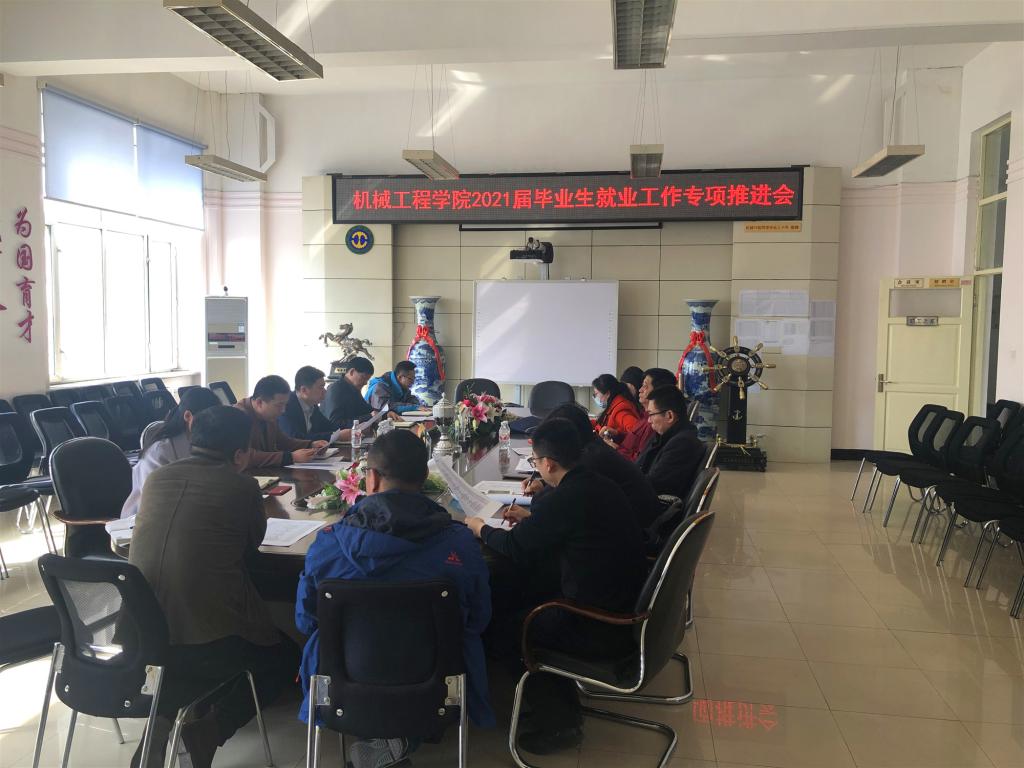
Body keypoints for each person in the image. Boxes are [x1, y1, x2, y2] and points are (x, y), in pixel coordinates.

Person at [296, 430, 494, 767]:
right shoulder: (459, 545)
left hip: (343, 682)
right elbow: (478, 619)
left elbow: (306, 621)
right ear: (424, 478)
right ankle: (397, 739)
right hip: (437, 684)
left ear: (371, 479)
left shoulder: (328, 545)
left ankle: (386, 741)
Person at [128, 406, 299, 768]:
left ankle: (161, 723)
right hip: (204, 641)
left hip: (139, 634)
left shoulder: (157, 479)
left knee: (180, 651)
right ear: (239, 455)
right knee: (283, 658)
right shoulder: (242, 487)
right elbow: (250, 546)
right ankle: (207, 732)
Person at [466, 419, 647, 755]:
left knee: (506, 630)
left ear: (549, 463)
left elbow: (515, 547)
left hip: (596, 622)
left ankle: (560, 723)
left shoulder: (567, 497)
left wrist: (480, 528)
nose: (536, 467)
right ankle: (548, 698)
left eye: (535, 461)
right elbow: (570, 526)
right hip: (618, 598)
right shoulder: (594, 484)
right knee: (516, 593)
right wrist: (534, 521)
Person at [523, 402, 662, 528]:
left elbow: (551, 501)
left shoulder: (591, 460)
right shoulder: (592, 446)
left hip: (637, 531)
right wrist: (543, 483)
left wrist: (531, 514)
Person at [120, 387, 221, 519]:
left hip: (190, 514)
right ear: (188, 416)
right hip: (148, 518)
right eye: (206, 420)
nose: (211, 426)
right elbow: (157, 499)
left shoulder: (206, 442)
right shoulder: (160, 451)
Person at [235, 375, 327, 468]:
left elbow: (282, 441)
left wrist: (310, 445)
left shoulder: (269, 416)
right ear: (259, 402)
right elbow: (245, 456)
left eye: (285, 405)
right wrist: (291, 457)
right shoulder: (238, 416)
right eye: (279, 405)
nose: (283, 410)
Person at [637, 385, 706, 501]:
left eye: (651, 414)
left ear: (669, 416)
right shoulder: (666, 436)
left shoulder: (682, 443)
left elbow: (655, 485)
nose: (649, 420)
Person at [611, 367, 678, 461]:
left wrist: (615, 450)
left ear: (658, 391)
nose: (640, 390)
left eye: (645, 386)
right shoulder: (644, 415)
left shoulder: (655, 423)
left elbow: (639, 461)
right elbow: (633, 441)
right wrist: (617, 435)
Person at [278, 365, 346, 443]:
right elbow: (295, 437)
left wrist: (350, 430)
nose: (325, 391)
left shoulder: (312, 405)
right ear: (304, 390)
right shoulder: (286, 406)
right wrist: (337, 436)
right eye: (321, 387)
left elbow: (329, 427)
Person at [321, 356, 375, 426]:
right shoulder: (335, 389)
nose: (365, 383)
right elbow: (335, 423)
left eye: (367, 380)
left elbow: (366, 410)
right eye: (363, 378)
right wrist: (369, 416)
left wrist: (381, 414)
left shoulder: (354, 389)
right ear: (352, 372)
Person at [592, 373, 642, 441]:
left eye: (596, 393)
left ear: (607, 393)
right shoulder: (614, 406)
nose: (595, 397)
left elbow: (638, 432)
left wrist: (617, 434)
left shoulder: (621, 410)